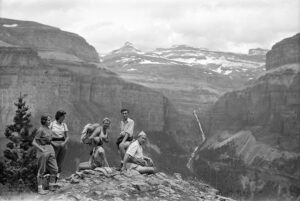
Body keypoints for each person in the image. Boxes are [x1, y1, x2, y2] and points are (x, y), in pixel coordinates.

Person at [32, 115, 58, 195]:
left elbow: (50, 139)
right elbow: (34, 142)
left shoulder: (49, 129)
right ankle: (40, 189)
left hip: (50, 148)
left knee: (54, 169)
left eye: (50, 120)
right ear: (44, 121)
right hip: (43, 149)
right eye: (48, 120)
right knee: (41, 170)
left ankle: (51, 187)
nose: (50, 122)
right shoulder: (40, 129)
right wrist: (41, 149)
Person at [49, 110, 69, 179]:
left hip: (62, 143)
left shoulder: (64, 125)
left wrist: (64, 143)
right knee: (53, 161)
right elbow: (48, 135)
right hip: (54, 143)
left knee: (60, 161)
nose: (64, 117)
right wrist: (52, 143)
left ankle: (57, 178)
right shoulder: (52, 124)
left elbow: (67, 136)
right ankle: (51, 177)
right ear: (59, 116)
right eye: (63, 116)